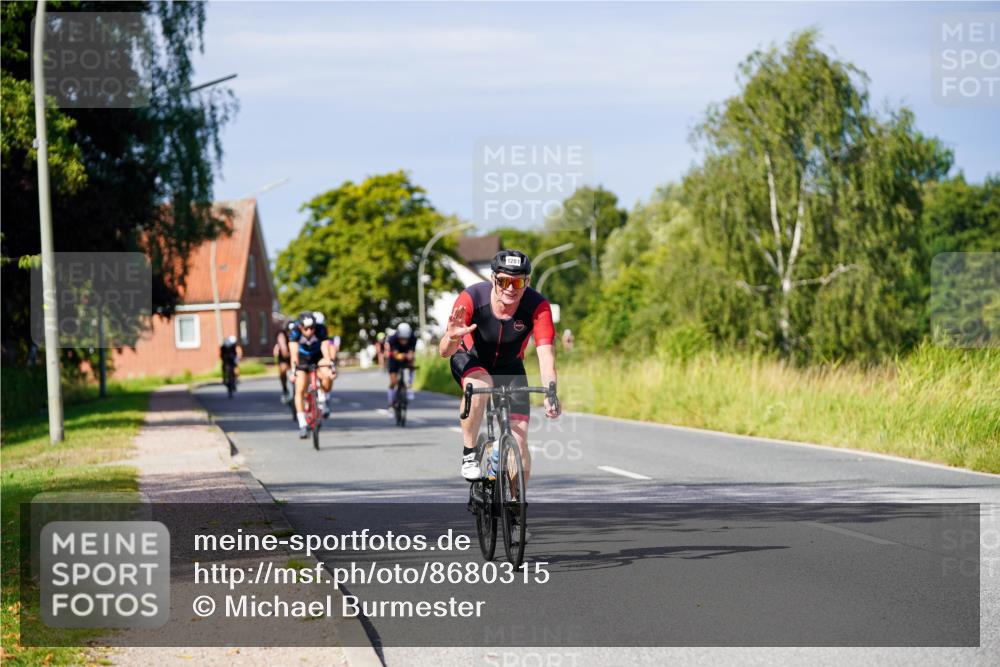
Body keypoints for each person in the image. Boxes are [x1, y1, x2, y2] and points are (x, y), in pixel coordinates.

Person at [439, 250, 560, 485]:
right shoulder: (472, 297)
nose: (510, 288)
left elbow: (546, 355)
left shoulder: (538, 306)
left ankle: (516, 504)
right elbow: (445, 351)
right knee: (479, 383)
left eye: (518, 282)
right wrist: (452, 337)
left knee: (520, 438)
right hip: (470, 358)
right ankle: (470, 453)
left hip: (509, 366)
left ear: (527, 282)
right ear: (493, 278)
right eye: (504, 281)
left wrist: (551, 391)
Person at [289, 312, 336, 438]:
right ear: (300, 327)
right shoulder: (295, 331)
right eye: (306, 328)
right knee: (300, 388)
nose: (310, 331)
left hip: (317, 356)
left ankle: (322, 398)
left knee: (327, 374)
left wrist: (330, 365)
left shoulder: (321, 329)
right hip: (302, 358)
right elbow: (293, 353)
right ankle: (302, 424)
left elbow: (326, 349)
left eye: (312, 328)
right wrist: (293, 370)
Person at [386, 322, 416, 407]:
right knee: (394, 381)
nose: (404, 341)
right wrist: (402, 355)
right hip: (394, 358)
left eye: (406, 339)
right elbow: (395, 355)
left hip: (406, 355)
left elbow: (412, 352)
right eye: (402, 338)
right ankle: (391, 401)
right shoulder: (392, 339)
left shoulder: (413, 338)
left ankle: (410, 385)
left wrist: (409, 356)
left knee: (412, 360)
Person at [274, 321, 293, 403]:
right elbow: (283, 347)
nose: (291, 333)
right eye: (289, 331)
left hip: (297, 355)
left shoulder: (299, 333)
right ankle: (285, 389)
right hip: (285, 357)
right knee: (283, 370)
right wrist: (286, 353)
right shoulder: (281, 335)